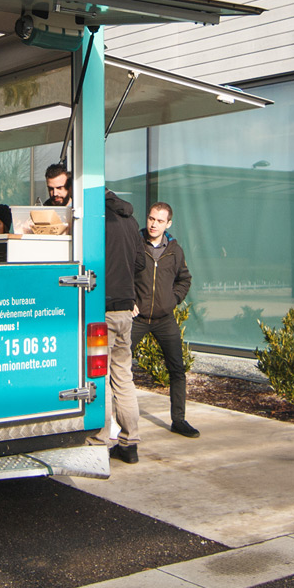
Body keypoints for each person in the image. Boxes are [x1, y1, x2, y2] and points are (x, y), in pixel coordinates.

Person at [131, 201, 198, 437]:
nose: (153, 224)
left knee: (177, 369)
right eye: (151, 218)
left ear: (168, 223)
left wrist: (173, 300)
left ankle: (178, 420)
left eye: (160, 221)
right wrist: (129, 301)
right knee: (118, 367)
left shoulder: (175, 250)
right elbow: (120, 275)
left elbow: (184, 279)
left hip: (164, 319)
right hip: (137, 320)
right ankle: (115, 422)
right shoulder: (134, 244)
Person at [94, 190, 146, 463]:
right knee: (123, 377)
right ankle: (130, 442)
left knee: (99, 376)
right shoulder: (129, 219)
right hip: (126, 308)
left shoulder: (97, 218)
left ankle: (99, 439)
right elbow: (140, 261)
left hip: (101, 307)